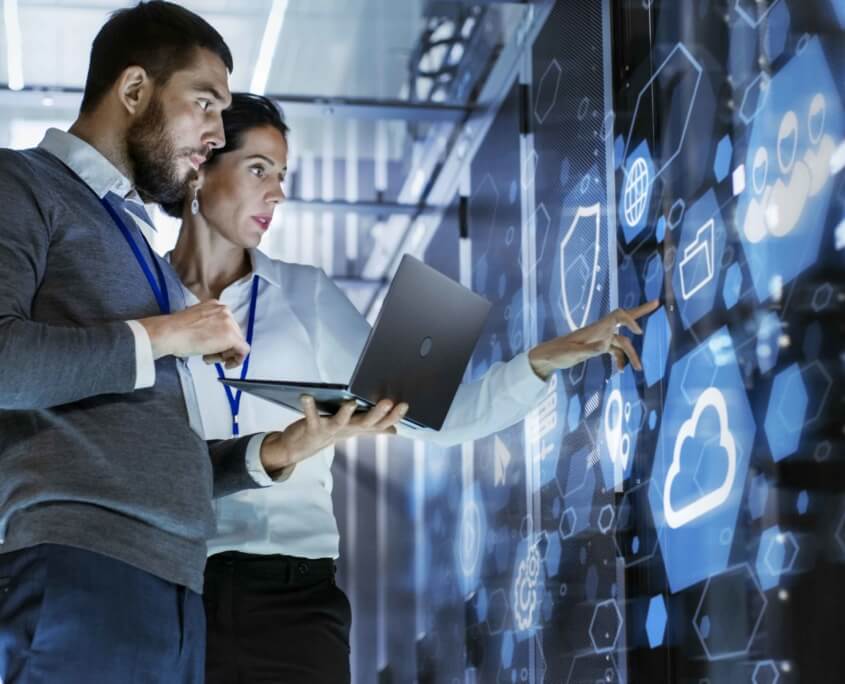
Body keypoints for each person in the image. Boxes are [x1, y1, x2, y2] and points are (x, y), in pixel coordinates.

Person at [165, 92, 658, 683]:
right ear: (201, 167)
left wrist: (542, 361)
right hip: (176, 589)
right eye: (258, 169)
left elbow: (436, 419)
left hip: (294, 599)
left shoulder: (306, 295)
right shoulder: (142, 301)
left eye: (283, 175)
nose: (278, 193)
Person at [0, 4, 405, 683]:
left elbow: (155, 447)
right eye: (204, 103)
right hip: (80, 571)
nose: (214, 132)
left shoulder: (138, 247)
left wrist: (276, 452)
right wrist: (167, 333)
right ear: (134, 91)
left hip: (176, 592)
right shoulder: (21, 184)